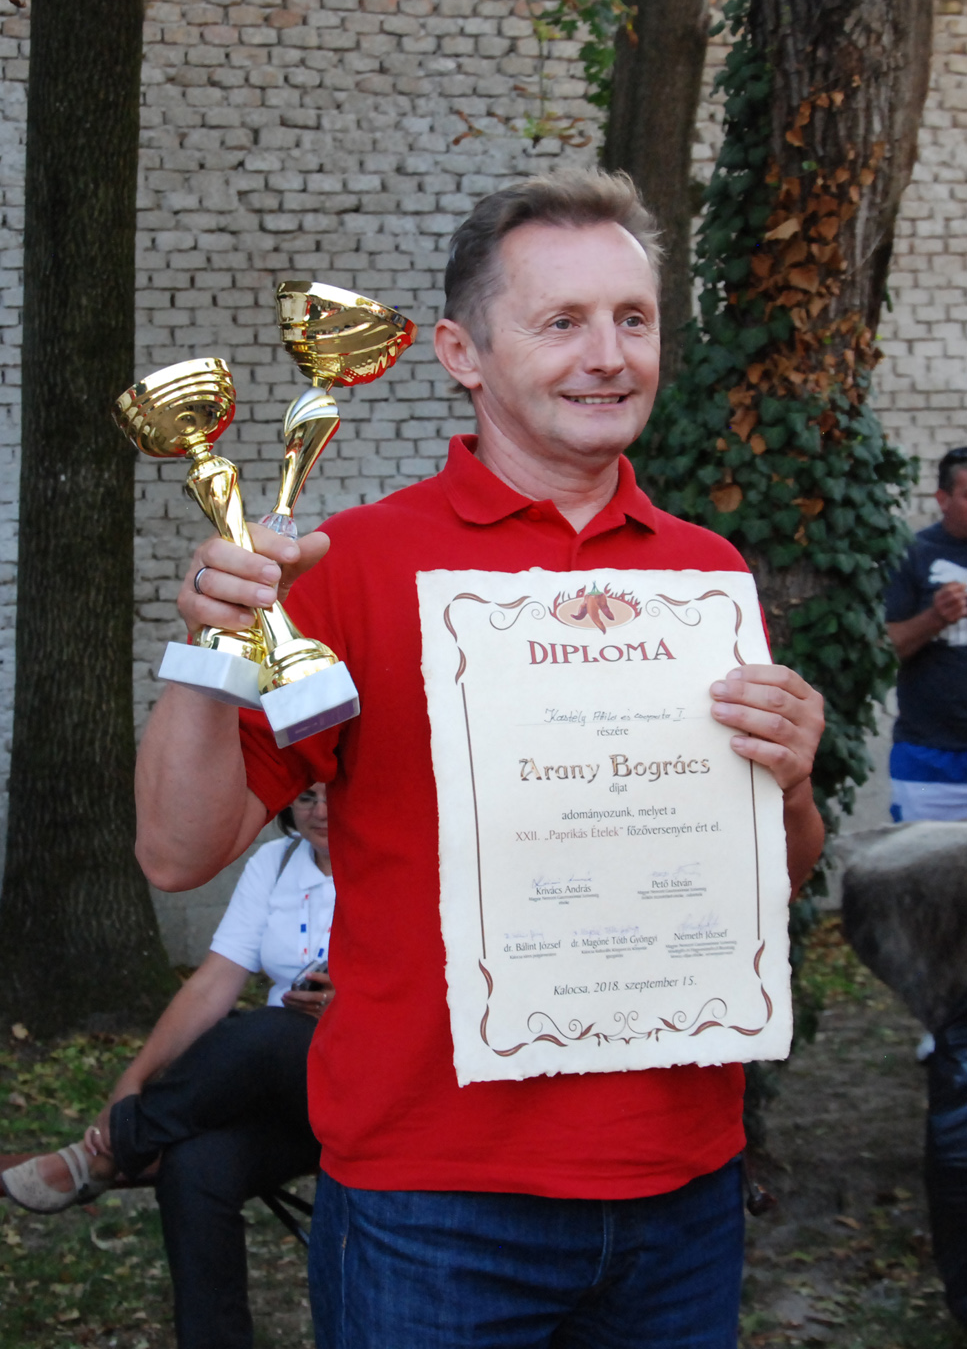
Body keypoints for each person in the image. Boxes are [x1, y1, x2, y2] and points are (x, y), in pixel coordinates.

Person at [133, 171, 825, 1348]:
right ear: (461, 351)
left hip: (682, 1184)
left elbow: (767, 874)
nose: (607, 355)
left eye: (633, 318)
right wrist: (212, 644)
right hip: (435, 1201)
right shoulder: (347, 564)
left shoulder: (703, 573)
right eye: (561, 321)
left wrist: (793, 781)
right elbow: (178, 850)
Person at [2, 783, 335, 1349]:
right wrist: (132, 1078)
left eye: (332, 796)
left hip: (362, 1082)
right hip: (281, 1096)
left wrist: (349, 1003)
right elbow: (211, 985)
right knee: (194, 1169)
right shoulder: (275, 864)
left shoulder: (397, 865)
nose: (320, 811)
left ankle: (106, 1154)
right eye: (305, 797)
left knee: (269, 1030)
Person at [885, 447, 967, 822]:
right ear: (942, 499)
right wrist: (935, 617)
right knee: (919, 859)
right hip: (929, 757)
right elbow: (885, 649)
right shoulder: (913, 554)